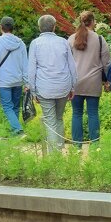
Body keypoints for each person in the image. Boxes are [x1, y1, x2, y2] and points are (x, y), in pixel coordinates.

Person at [28, 14, 77, 151]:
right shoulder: (63, 42)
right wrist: (73, 86)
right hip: (63, 86)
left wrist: (33, 91)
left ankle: (53, 155)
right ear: (54, 27)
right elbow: (72, 66)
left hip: (44, 87)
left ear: (39, 28)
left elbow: (31, 70)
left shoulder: (35, 44)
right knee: (59, 118)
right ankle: (59, 149)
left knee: (50, 120)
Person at [67, 11, 111, 145]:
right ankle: (95, 145)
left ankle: (76, 146)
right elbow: (106, 63)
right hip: (93, 82)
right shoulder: (99, 39)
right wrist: (108, 80)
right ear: (92, 22)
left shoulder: (71, 39)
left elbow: (66, 62)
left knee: (76, 114)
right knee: (93, 113)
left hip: (75, 83)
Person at [0, 17, 29, 136]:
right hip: (17, 81)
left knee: (7, 107)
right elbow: (25, 64)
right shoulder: (20, 43)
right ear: (12, 28)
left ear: (1, 27)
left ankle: (18, 130)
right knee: (15, 107)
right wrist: (27, 82)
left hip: (3, 81)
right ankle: (15, 134)